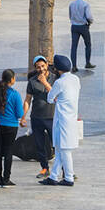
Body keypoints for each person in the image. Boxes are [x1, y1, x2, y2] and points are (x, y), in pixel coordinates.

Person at [46, 55, 81, 186]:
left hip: (62, 120)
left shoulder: (59, 82)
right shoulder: (76, 79)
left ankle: (69, 178)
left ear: (57, 69)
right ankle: (54, 176)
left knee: (65, 150)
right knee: (61, 149)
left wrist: (56, 98)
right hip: (72, 118)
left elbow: (50, 98)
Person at [22, 56, 56, 179]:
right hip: (36, 117)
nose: (41, 69)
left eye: (42, 66)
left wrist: (45, 82)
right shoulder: (32, 81)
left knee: (56, 144)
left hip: (51, 116)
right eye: (38, 67)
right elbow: (28, 99)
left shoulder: (54, 78)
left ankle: (64, 168)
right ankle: (44, 168)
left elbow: (55, 95)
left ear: (47, 65)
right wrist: (23, 116)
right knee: (40, 144)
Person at [67, 0, 95, 71]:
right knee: (88, 44)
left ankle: (74, 66)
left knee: (74, 46)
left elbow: (70, 15)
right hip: (83, 26)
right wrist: (90, 21)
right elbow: (89, 16)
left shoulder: (72, 4)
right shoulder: (85, 4)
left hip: (74, 26)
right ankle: (87, 62)